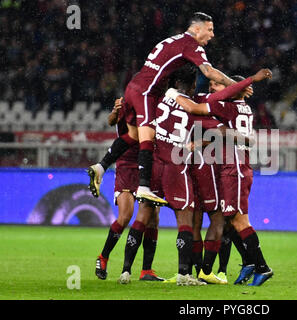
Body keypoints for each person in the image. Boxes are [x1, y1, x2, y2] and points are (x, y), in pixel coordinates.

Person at [87, 12, 245, 206]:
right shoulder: (191, 44)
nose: (212, 34)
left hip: (134, 85)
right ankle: (144, 187)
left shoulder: (171, 40)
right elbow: (208, 72)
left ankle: (101, 167)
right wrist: (237, 85)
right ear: (197, 28)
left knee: (134, 136)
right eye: (210, 29)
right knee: (148, 137)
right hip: (146, 92)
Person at [167, 71, 274, 286]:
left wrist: (172, 95)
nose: (213, 89)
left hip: (233, 168)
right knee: (229, 218)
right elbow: (230, 134)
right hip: (238, 166)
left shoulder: (226, 106)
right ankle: (249, 263)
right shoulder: (244, 107)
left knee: (238, 220)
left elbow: (195, 108)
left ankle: (261, 267)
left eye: (217, 85)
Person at [96, 98, 163, 282]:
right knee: (126, 215)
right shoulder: (126, 103)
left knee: (153, 218)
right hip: (126, 164)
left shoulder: (155, 105)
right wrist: (117, 111)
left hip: (148, 164)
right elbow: (111, 121)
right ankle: (103, 257)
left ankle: (146, 270)